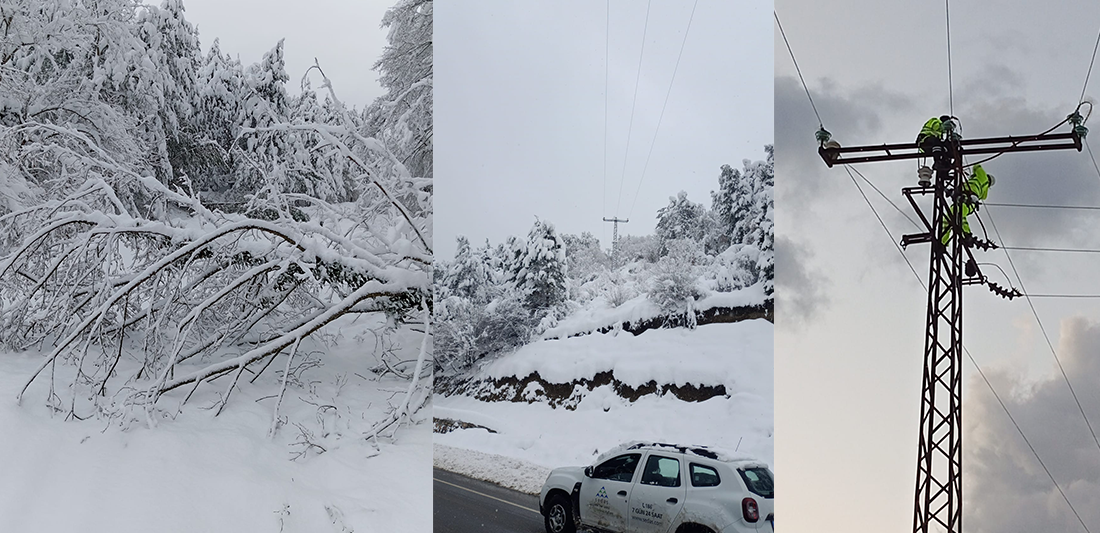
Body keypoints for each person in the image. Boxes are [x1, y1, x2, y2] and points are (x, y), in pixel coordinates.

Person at [941, 163, 996, 246]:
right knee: (954, 215)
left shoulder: (983, 177)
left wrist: (973, 173)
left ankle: (964, 235)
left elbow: (976, 166)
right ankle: (963, 236)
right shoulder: (985, 192)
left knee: (955, 215)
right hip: (967, 201)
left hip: (967, 199)